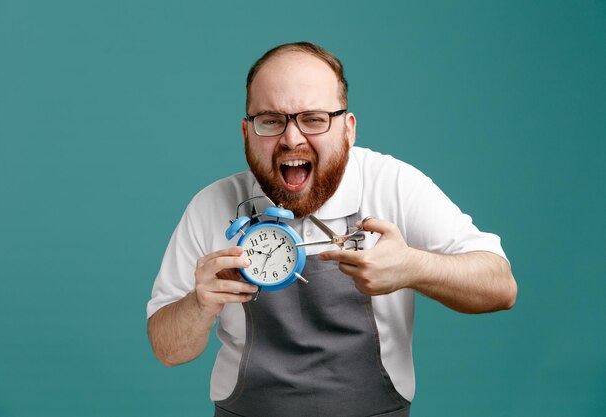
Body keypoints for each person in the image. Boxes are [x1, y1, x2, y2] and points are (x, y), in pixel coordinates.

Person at [147, 42, 517, 417]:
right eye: (271, 120)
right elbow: (167, 350)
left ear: (348, 129)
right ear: (246, 132)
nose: (291, 139)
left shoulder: (393, 185)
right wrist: (199, 303)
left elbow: (500, 286)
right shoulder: (212, 205)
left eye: (314, 118)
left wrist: (413, 267)